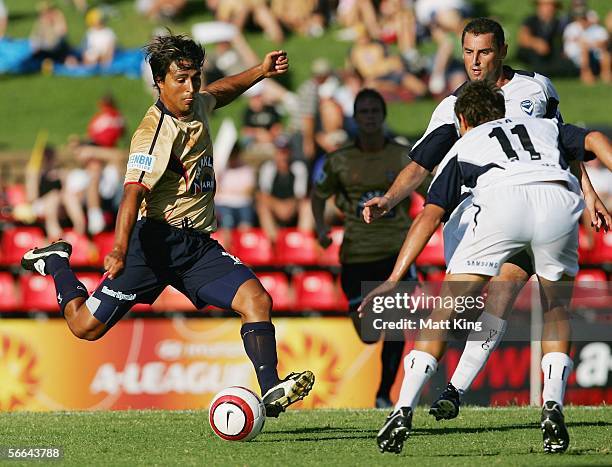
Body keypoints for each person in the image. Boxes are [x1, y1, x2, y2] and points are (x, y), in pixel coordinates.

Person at [21, 33, 314, 417]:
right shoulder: (154, 132)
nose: (191, 88)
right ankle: (57, 261)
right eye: (181, 79)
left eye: (194, 77)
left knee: (256, 299)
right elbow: (132, 193)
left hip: (195, 246)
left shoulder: (197, 105)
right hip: (152, 244)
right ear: (160, 82)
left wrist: (259, 71)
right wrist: (120, 248)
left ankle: (271, 387)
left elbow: (219, 92)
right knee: (84, 328)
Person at [361, 15, 610, 442]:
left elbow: (429, 211)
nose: (476, 61)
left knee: (458, 304)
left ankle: (407, 406)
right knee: (549, 305)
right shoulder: (534, 123)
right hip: (551, 201)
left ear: (502, 52)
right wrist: (586, 195)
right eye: (469, 53)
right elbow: (582, 143)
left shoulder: (494, 119)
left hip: (496, 208)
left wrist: (394, 278)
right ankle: (545, 403)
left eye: (485, 52)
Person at [312, 88, 417, 408]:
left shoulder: (403, 156)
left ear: (383, 116)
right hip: (357, 256)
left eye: (375, 111)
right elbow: (318, 195)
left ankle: (385, 394)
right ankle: (383, 386)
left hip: (396, 255)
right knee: (371, 334)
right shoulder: (339, 160)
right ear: (355, 119)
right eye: (364, 112)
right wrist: (320, 227)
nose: (370, 117)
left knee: (397, 326)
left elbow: (429, 191)